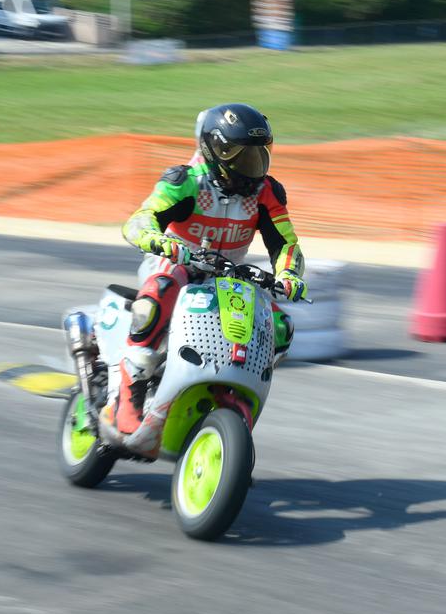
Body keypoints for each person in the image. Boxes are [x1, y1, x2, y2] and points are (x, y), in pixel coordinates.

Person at [105, 103, 308, 453]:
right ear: (214, 151)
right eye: (241, 155)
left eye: (259, 154)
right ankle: (132, 385)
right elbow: (140, 219)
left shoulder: (267, 192)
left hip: (228, 276)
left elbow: (286, 243)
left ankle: (232, 418)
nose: (252, 165)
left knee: (281, 326)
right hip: (176, 262)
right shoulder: (185, 181)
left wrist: (289, 272)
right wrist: (158, 239)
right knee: (163, 287)